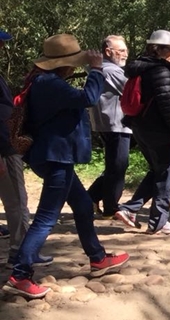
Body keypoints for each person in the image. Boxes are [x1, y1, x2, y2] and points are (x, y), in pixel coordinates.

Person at [4, 34, 129, 299]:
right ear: (64, 63)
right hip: (55, 157)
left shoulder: (43, 80)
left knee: (83, 205)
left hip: (55, 156)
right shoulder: (49, 83)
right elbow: (88, 98)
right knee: (46, 218)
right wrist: (96, 69)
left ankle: (97, 258)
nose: (75, 66)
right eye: (73, 62)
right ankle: (20, 275)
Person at [116, 30, 170, 234]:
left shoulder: (140, 69)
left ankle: (129, 209)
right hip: (158, 130)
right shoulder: (161, 71)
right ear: (157, 49)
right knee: (166, 173)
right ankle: (159, 221)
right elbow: (168, 105)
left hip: (140, 127)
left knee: (157, 170)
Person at [87, 36, 130, 219]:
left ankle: (91, 197)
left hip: (106, 124)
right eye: (120, 50)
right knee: (118, 166)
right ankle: (111, 207)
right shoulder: (112, 71)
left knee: (115, 165)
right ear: (107, 51)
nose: (125, 54)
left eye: (126, 50)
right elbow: (131, 92)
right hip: (116, 125)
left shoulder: (99, 69)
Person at [0, 29, 32, 267]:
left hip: (6, 145)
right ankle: (19, 253)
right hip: (4, 148)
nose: (2, 47)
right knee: (16, 200)